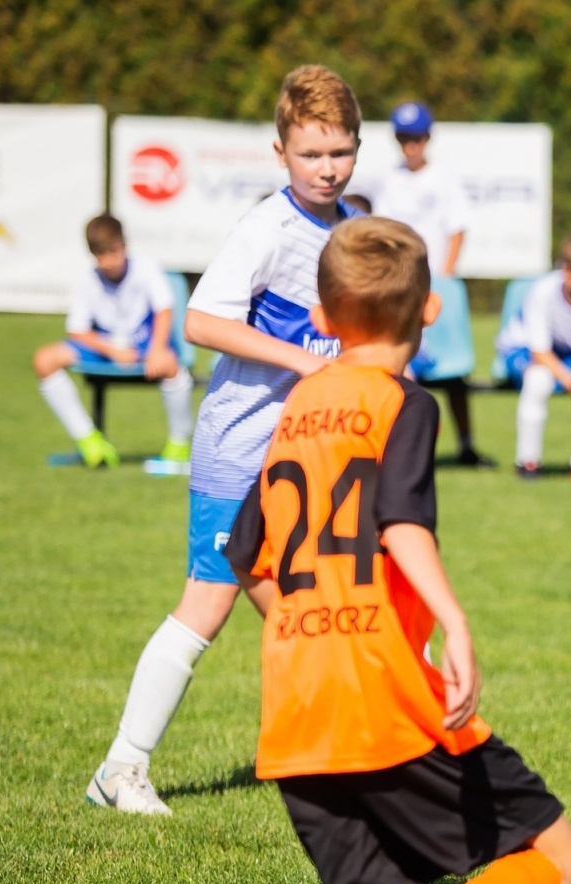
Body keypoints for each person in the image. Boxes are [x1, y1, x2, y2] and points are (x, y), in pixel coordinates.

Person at [225, 217, 571, 884]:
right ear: (430, 307)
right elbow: (399, 522)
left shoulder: (299, 404)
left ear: (322, 311)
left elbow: (246, 558)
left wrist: (307, 629)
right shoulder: (403, 402)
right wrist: (452, 621)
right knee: (555, 852)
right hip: (382, 688)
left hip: (295, 704)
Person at [84, 64, 364, 815]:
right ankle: (121, 769)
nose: (327, 167)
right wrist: (303, 359)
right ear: (281, 154)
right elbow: (200, 324)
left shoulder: (345, 227)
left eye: (340, 151)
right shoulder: (267, 229)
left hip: (297, 458)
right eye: (311, 154)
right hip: (238, 451)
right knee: (208, 603)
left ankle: (343, 760)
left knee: (313, 610)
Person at [351, 101, 493, 470]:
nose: (410, 145)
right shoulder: (385, 179)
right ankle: (393, 445)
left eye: (416, 137)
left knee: (452, 372)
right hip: (396, 289)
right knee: (394, 367)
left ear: (428, 138)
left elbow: (457, 228)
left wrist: (444, 275)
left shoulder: (444, 178)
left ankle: (465, 445)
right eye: (403, 138)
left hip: (434, 287)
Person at [33, 214, 193, 470]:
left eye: (113, 252)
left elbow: (164, 308)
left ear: (124, 245)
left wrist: (156, 349)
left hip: (146, 347)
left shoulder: (145, 266)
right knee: (44, 360)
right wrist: (112, 351)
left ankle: (179, 446)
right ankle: (90, 442)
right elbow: (77, 330)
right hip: (108, 350)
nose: (108, 261)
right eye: (100, 255)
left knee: (170, 364)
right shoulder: (89, 279)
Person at [496, 238, 571, 481]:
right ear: (568, 272)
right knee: (538, 379)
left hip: (567, 355)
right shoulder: (543, 292)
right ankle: (528, 461)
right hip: (522, 351)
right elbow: (539, 353)